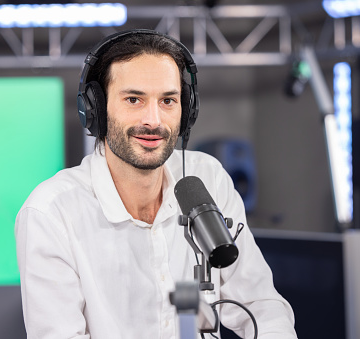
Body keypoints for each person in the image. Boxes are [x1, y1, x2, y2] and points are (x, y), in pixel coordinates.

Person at [15, 29, 297, 339]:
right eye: (134, 99)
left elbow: (261, 305)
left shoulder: (208, 179)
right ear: (96, 109)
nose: (154, 120)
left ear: (186, 110)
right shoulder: (51, 214)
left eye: (168, 100)